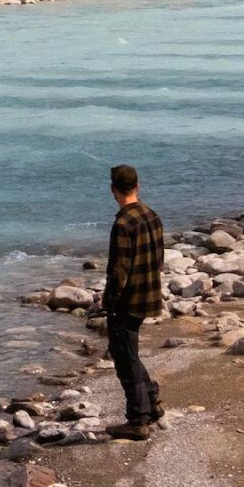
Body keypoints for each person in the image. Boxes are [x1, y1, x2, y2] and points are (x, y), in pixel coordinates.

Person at [103, 162, 164, 440]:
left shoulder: (123, 223)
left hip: (128, 300)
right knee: (130, 353)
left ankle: (137, 421)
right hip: (149, 294)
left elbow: (119, 270)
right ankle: (151, 403)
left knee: (124, 358)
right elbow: (159, 258)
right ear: (137, 186)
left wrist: (109, 302)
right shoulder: (152, 215)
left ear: (113, 190)